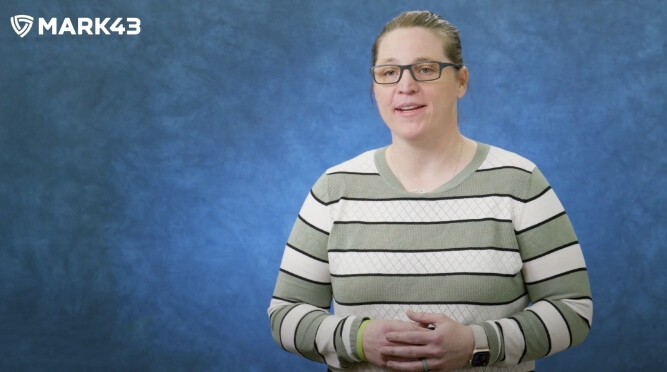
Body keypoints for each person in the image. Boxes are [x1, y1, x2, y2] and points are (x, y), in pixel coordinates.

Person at [268, 10, 592, 372]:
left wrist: (475, 344)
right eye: (389, 72)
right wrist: (357, 340)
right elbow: (285, 314)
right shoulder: (334, 189)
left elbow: (572, 309)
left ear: (461, 81)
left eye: (425, 69)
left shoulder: (520, 183)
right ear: (375, 87)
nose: (405, 86)